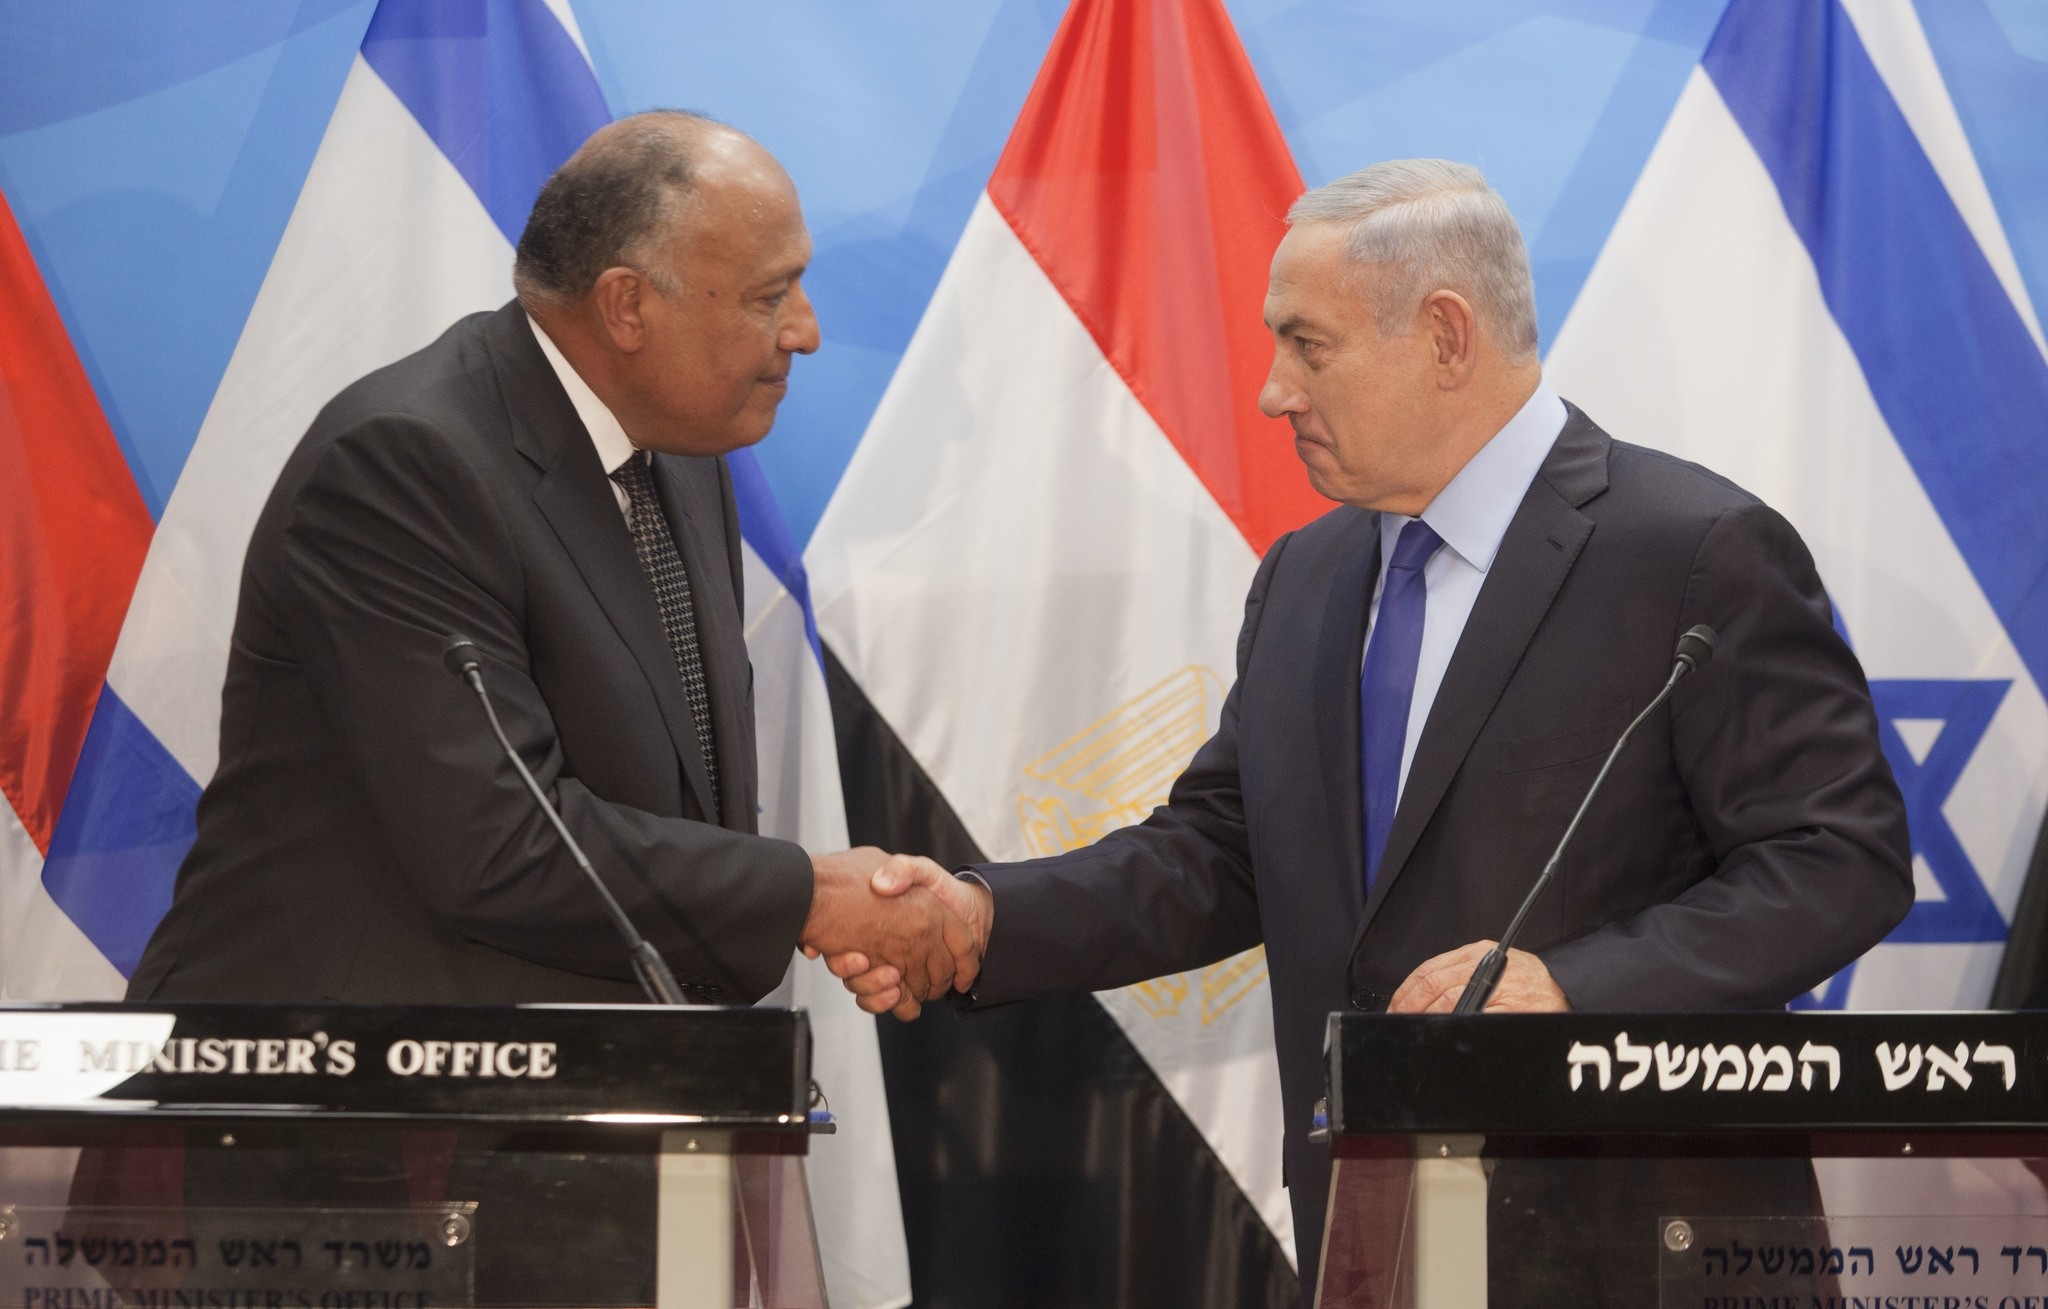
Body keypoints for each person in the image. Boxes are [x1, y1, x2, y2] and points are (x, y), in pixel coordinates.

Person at [827, 159, 1914, 1293]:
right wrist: (980, 917)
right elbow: (1219, 852)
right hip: (1373, 1238)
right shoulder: (1307, 574)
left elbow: (1838, 859)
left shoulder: (1690, 552)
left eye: (1308, 344)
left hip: (1633, 1246)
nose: (1271, 391)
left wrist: (1571, 987)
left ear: (1445, 336)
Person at [129, 111, 972, 1009]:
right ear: (628, 306)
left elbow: (681, 811)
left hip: (592, 1094)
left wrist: (800, 911)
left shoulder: (684, 456)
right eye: (772, 296)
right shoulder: (406, 465)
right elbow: (499, 843)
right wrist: (814, 896)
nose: (804, 330)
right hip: (333, 1107)